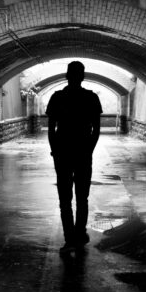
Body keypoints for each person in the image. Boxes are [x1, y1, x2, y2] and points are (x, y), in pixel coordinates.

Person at [46, 61, 103, 254]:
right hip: (83, 152)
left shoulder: (57, 97)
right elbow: (96, 130)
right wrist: (89, 150)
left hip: (62, 153)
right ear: (83, 76)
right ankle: (80, 234)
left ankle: (69, 239)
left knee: (65, 198)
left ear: (66, 76)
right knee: (82, 197)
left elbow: (51, 129)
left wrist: (54, 151)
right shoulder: (91, 98)